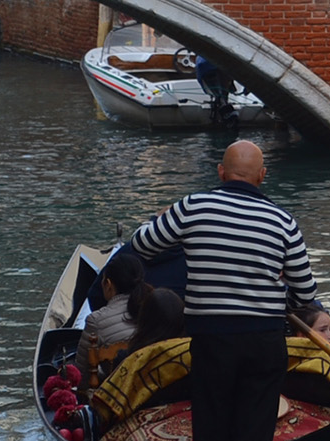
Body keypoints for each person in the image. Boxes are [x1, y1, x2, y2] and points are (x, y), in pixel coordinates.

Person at [130, 140, 318, 441]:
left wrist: (168, 222)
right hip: (264, 342)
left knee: (212, 427)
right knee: (255, 430)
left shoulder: (193, 206)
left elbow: (142, 244)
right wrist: (279, 300)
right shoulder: (284, 221)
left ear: (221, 172)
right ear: (262, 175)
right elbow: (304, 293)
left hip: (212, 340)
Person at [75, 249, 152, 382]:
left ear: (108, 284)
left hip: (115, 395)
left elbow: (82, 376)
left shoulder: (96, 321)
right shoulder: (156, 310)